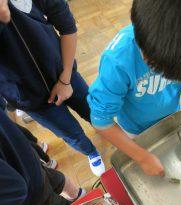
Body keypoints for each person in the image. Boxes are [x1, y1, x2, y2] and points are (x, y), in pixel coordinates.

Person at [88, 0, 181, 176]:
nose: (165, 74)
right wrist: (141, 157)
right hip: (135, 131)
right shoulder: (117, 61)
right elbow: (101, 121)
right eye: (156, 65)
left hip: (171, 120)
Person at [0, 0, 105, 176]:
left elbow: (67, 26)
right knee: (70, 132)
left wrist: (65, 79)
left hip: (63, 71)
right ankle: (91, 152)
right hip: (30, 99)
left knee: (93, 110)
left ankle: (105, 129)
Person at [0, 109, 86, 205]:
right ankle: (79, 195)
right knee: (53, 180)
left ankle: (78, 198)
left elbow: (15, 191)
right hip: (26, 160)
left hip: (29, 201)